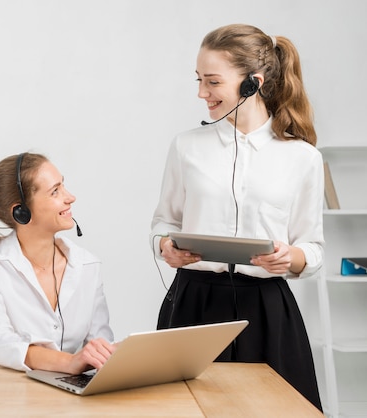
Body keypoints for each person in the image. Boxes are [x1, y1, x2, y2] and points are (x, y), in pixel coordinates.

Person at [149, 24, 323, 410]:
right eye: (199, 80)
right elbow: (163, 223)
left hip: (266, 309)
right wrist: (166, 246)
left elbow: (312, 248)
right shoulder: (186, 147)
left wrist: (289, 257)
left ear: (253, 83)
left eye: (212, 81)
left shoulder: (302, 157)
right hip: (192, 304)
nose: (201, 93)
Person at [0, 152, 115, 374]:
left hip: (76, 401)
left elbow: (101, 345)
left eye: (63, 186)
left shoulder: (87, 265)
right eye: (55, 191)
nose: (70, 197)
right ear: (21, 212)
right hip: (14, 398)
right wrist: (69, 362)